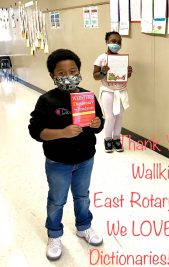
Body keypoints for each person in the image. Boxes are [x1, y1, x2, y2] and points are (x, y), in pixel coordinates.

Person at [28, 49, 104, 260]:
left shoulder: (87, 96)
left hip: (86, 158)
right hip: (58, 162)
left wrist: (98, 123)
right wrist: (63, 132)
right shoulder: (47, 101)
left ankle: (84, 226)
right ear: (53, 76)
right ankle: (54, 235)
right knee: (57, 200)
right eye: (61, 73)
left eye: (73, 71)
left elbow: (98, 123)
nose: (68, 76)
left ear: (79, 72)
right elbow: (36, 131)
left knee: (82, 196)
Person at [93, 31, 133, 153]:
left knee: (119, 116)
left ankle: (116, 138)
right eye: (113, 41)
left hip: (120, 91)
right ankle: (107, 139)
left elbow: (123, 76)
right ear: (107, 42)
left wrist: (128, 73)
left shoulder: (121, 59)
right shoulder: (101, 58)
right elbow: (95, 76)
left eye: (119, 42)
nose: (116, 44)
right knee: (110, 117)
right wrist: (103, 72)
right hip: (108, 91)